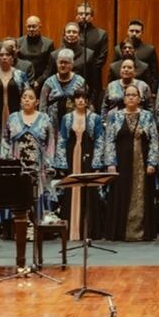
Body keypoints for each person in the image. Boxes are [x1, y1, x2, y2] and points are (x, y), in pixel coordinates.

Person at [101, 84, 159, 241]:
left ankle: (141, 232)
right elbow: (109, 141)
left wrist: (152, 162)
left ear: (140, 99)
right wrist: (111, 163)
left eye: (135, 95)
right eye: (128, 95)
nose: (131, 97)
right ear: (124, 98)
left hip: (142, 161)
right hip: (121, 161)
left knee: (142, 194)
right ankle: (121, 232)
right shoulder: (115, 116)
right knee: (120, 192)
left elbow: (154, 139)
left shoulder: (147, 116)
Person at [55, 88, 104, 241]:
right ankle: (71, 230)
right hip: (71, 155)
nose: (81, 100)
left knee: (89, 191)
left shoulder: (95, 118)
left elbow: (99, 141)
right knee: (72, 189)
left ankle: (88, 231)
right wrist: (62, 164)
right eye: (78, 98)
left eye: (84, 98)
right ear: (74, 100)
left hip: (88, 155)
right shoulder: (67, 118)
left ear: (88, 100)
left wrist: (96, 162)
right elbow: (62, 140)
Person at [1, 87, 56, 221]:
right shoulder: (13, 118)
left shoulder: (44, 118)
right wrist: (5, 160)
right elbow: (5, 139)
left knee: (37, 194)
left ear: (36, 102)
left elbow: (51, 142)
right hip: (18, 165)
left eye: (30, 98)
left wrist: (50, 163)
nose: (27, 100)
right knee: (18, 195)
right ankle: (16, 228)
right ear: (20, 100)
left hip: (38, 166)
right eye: (24, 97)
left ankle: (37, 224)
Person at [40, 49, 88, 131]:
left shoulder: (80, 82)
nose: (62, 65)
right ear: (56, 63)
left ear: (72, 65)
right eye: (60, 62)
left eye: (66, 62)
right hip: (52, 125)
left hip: (74, 124)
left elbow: (86, 104)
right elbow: (42, 106)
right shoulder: (49, 82)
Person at [0, 42, 29, 124]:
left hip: (17, 114)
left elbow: (27, 96)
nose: (4, 57)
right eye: (1, 55)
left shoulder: (21, 75)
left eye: (7, 55)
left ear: (12, 58)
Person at [77, 2, 109, 100]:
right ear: (77, 15)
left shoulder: (101, 34)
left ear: (92, 17)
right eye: (81, 13)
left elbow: (102, 57)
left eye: (86, 14)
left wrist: (90, 69)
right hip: (74, 74)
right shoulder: (71, 31)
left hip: (93, 77)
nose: (83, 16)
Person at [18, 15, 55, 90]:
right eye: (29, 26)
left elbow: (50, 67)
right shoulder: (19, 42)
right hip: (22, 82)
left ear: (40, 26)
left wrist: (39, 81)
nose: (31, 29)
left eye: (34, 26)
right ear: (26, 26)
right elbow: (17, 64)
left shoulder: (48, 43)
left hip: (42, 83)